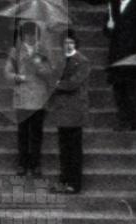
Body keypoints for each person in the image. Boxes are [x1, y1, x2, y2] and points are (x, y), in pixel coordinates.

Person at [7, 23, 55, 178]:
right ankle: (22, 163)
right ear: (23, 36)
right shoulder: (15, 51)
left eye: (33, 34)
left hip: (39, 96)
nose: (31, 38)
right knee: (22, 132)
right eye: (27, 35)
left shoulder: (43, 51)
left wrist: (40, 68)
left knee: (36, 132)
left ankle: (36, 164)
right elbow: (7, 72)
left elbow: (50, 73)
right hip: (22, 96)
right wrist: (17, 77)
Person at [47, 32, 89, 194]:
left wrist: (57, 83)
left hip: (75, 110)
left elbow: (73, 83)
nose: (68, 45)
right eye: (65, 42)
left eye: (71, 42)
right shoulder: (60, 60)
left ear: (76, 44)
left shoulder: (82, 61)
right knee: (63, 149)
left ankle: (74, 183)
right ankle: (63, 181)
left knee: (74, 149)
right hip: (62, 110)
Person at [106, 0, 136, 126]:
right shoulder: (113, 5)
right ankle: (123, 119)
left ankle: (134, 120)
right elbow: (107, 32)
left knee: (131, 89)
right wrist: (108, 27)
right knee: (118, 88)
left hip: (132, 54)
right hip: (116, 54)